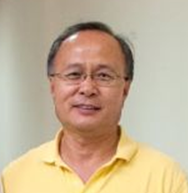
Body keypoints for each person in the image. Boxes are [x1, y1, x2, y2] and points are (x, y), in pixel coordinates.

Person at [1, 21, 187, 193]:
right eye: (74, 74)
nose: (88, 88)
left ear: (125, 88)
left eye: (104, 76)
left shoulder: (167, 178)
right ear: (53, 86)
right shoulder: (15, 178)